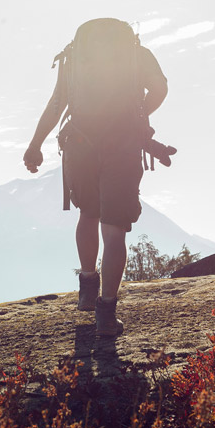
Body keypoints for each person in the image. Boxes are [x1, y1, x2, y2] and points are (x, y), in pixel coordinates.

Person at [23, 18, 169, 337]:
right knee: (114, 231)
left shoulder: (74, 58)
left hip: (80, 146)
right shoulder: (137, 54)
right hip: (123, 145)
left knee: (88, 214)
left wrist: (35, 146)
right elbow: (161, 88)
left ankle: (88, 285)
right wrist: (141, 112)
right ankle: (106, 312)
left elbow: (57, 102)